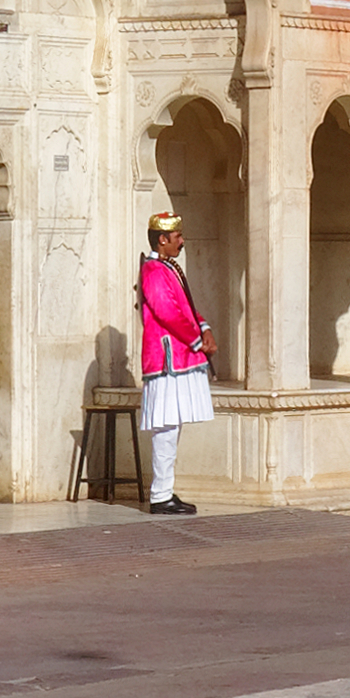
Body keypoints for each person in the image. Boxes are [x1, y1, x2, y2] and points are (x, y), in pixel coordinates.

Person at [137, 209, 213, 516]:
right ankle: (160, 495)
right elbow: (168, 312)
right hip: (167, 356)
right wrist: (197, 340)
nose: (181, 241)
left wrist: (204, 328)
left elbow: (186, 306)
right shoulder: (154, 271)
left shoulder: (169, 268)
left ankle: (165, 490)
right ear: (163, 239)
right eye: (177, 236)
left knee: (172, 425)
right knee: (166, 426)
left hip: (179, 356)